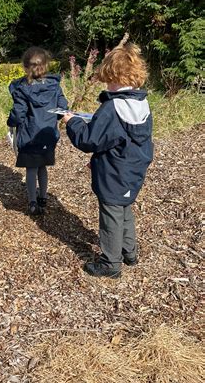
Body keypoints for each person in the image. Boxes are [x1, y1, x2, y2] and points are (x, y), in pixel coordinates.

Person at [62, 41, 153, 279]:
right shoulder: (141, 103)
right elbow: (121, 135)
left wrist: (72, 121)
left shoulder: (112, 108)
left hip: (114, 172)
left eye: (108, 80)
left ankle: (110, 263)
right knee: (125, 208)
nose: (107, 86)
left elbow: (88, 140)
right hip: (132, 170)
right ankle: (129, 253)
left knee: (111, 214)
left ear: (115, 77)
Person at [7, 46, 68, 216]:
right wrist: (49, 119)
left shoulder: (22, 88)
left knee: (31, 169)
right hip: (47, 134)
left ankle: (33, 202)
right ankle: (43, 197)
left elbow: (18, 114)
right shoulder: (54, 86)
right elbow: (63, 107)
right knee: (43, 167)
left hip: (29, 135)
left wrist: (10, 122)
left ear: (25, 67)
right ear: (46, 65)